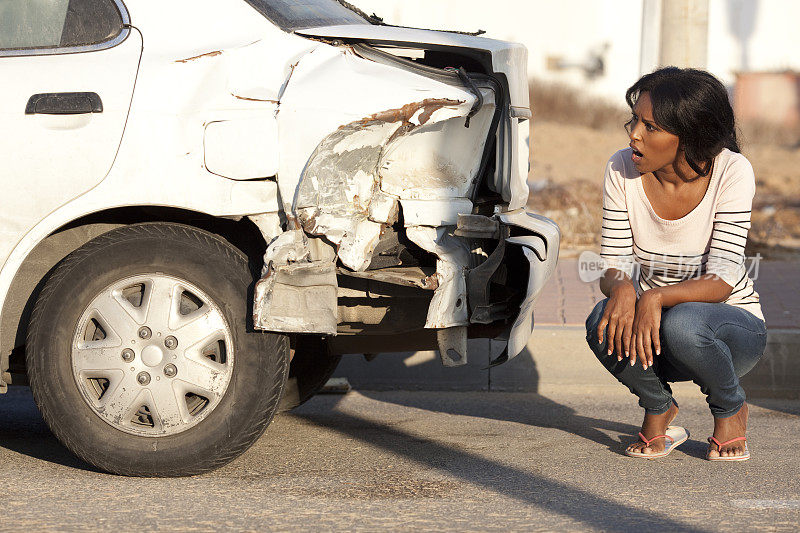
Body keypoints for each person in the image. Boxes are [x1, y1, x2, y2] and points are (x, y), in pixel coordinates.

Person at [584, 67, 766, 461]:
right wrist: (621, 287)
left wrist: (653, 298)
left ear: (690, 136)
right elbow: (614, 263)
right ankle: (658, 406)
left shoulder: (732, 171)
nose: (633, 133)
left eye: (650, 127)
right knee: (601, 320)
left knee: (684, 321)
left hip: (731, 331)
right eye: (635, 120)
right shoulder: (621, 168)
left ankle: (731, 408)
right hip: (660, 335)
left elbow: (722, 281)